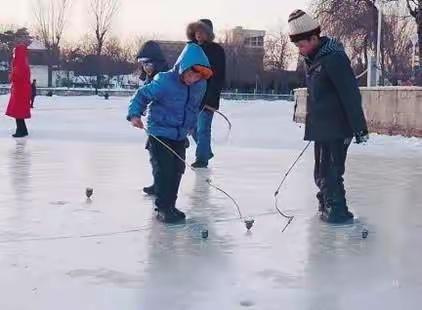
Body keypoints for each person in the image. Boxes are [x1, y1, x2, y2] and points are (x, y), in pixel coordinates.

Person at [288, 10, 369, 223]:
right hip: (321, 126)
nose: (300, 50)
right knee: (320, 170)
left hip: (338, 125)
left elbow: (350, 93)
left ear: (314, 38)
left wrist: (359, 127)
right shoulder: (312, 59)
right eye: (297, 47)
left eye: (302, 45)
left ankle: (337, 210)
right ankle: (326, 202)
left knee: (332, 169)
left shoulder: (334, 58)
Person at [127, 42, 212, 223]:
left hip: (180, 135)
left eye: (197, 76)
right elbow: (142, 95)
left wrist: (190, 126)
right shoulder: (164, 81)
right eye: (190, 74)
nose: (192, 79)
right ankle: (163, 208)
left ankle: (171, 206)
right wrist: (134, 115)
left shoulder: (199, 86)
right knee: (164, 170)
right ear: (182, 67)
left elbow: (192, 108)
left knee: (177, 171)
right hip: (159, 133)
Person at [187, 19, 226, 168]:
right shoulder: (191, 48)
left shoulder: (216, 50)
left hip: (208, 96)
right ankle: (206, 151)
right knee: (192, 127)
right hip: (192, 96)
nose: (198, 34)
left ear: (209, 33)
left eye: (202, 31)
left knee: (203, 128)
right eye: (197, 31)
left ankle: (201, 159)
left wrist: (211, 99)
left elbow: (219, 76)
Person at [136, 41, 169, 196]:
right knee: (154, 157)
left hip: (167, 126)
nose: (145, 67)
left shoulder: (165, 78)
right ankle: (158, 184)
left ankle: (164, 188)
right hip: (155, 126)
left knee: (165, 161)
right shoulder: (150, 79)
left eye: (148, 63)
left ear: (157, 62)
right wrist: (139, 111)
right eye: (142, 64)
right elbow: (144, 96)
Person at [6, 44, 31, 138]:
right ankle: (22, 129)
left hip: (20, 91)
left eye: (15, 52)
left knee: (18, 111)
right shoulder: (23, 63)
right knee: (19, 111)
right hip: (21, 90)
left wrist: (11, 76)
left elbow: (16, 76)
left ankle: (20, 130)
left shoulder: (20, 64)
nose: (13, 54)